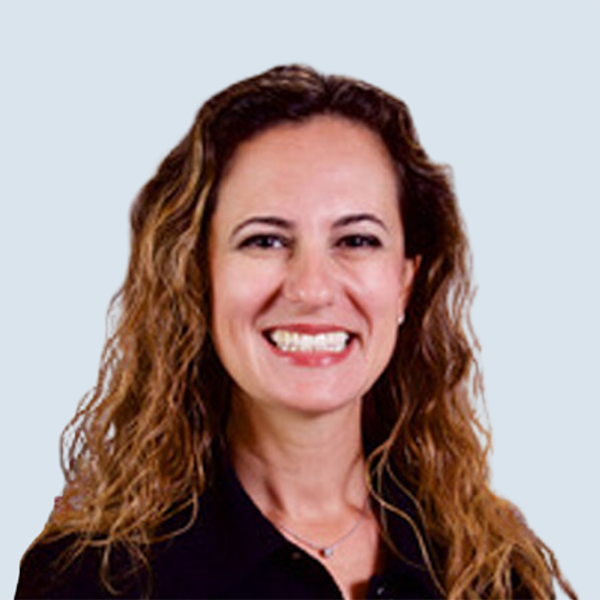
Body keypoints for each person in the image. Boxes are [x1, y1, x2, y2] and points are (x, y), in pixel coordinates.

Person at [15, 65, 577, 600]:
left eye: (357, 240)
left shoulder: (492, 567)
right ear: (198, 276)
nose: (311, 289)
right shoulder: (96, 577)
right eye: (264, 240)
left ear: (406, 282)